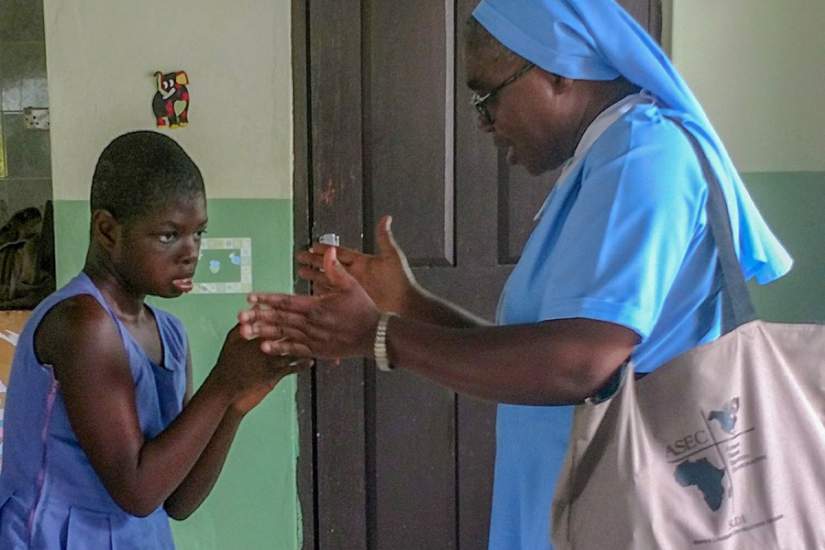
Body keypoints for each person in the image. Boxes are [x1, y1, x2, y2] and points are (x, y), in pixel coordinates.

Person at [238, 1, 792, 549]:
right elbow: (541, 353)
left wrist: (378, 336)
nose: (483, 121)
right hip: (584, 510)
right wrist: (408, 303)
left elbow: (577, 364)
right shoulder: (602, 161)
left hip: (636, 519)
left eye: (486, 96)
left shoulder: (644, 155)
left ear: (556, 70)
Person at [0, 131, 310, 549]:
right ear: (108, 230)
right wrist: (222, 382)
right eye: (168, 236)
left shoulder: (169, 333)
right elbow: (138, 491)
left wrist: (237, 400)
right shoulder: (81, 324)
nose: (190, 252)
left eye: (198, 233)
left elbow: (176, 499)